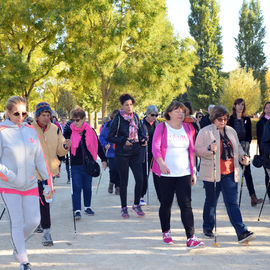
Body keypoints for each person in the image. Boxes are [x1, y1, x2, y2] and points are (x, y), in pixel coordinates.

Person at [0, 96, 50, 270]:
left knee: (34, 221)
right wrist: (10, 177)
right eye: (16, 113)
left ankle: (17, 243)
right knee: (16, 221)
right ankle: (23, 260)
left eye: (24, 113)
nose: (20, 117)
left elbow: (39, 158)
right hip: (9, 186)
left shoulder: (30, 131)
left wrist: (48, 181)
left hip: (30, 185)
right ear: (8, 112)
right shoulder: (1, 131)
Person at [195, 105, 255, 243]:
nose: (223, 121)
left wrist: (243, 157)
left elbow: (238, 148)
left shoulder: (231, 131)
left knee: (232, 203)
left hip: (230, 172)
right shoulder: (205, 132)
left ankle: (242, 232)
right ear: (213, 119)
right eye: (220, 119)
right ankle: (208, 227)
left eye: (225, 119)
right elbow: (197, 151)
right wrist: (209, 148)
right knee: (211, 202)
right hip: (213, 173)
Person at [152, 100, 204, 249]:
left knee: (186, 204)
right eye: (177, 111)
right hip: (165, 173)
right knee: (166, 203)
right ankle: (166, 232)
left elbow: (192, 150)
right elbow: (155, 148)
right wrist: (161, 164)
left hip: (184, 173)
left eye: (182, 111)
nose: (181, 113)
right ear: (169, 113)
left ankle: (191, 237)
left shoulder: (188, 128)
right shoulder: (161, 127)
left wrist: (193, 171)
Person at [33, 102, 71, 246]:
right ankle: (38, 223)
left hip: (48, 172)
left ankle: (46, 231)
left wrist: (65, 146)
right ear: (38, 115)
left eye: (48, 115)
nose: (46, 118)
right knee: (34, 201)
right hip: (32, 171)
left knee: (45, 202)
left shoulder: (55, 129)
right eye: (43, 115)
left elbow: (60, 150)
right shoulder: (30, 129)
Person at [108, 93, 147, 218]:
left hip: (135, 152)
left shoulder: (135, 117)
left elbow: (141, 132)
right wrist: (123, 140)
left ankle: (136, 204)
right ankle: (124, 207)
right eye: (126, 105)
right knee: (123, 182)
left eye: (131, 104)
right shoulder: (118, 119)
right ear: (122, 106)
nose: (129, 107)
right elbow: (110, 136)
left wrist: (142, 138)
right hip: (122, 154)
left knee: (140, 179)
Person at [64, 106, 107, 220]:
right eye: (73, 120)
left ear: (83, 119)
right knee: (76, 187)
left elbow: (97, 145)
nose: (75, 123)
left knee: (87, 187)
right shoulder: (68, 131)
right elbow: (63, 147)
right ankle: (77, 210)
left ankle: (87, 207)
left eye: (77, 120)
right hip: (74, 164)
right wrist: (66, 145)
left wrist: (103, 159)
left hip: (89, 164)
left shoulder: (90, 130)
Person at [228, 98, 262, 206]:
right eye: (238, 104)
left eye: (242, 104)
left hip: (245, 149)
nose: (240, 106)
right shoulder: (230, 119)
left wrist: (245, 147)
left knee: (248, 173)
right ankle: (232, 198)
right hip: (233, 149)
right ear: (234, 106)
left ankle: (253, 197)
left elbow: (249, 136)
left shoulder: (247, 119)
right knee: (234, 174)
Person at [140, 105, 161, 205]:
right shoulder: (141, 124)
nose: (154, 117)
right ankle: (141, 196)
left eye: (156, 115)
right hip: (144, 152)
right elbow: (136, 137)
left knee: (158, 175)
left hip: (156, 153)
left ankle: (160, 195)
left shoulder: (158, 124)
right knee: (144, 175)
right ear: (147, 114)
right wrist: (142, 139)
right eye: (152, 115)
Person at [99, 110, 120, 195]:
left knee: (120, 170)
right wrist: (105, 144)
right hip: (111, 153)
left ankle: (118, 187)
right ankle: (111, 182)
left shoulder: (123, 126)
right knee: (113, 170)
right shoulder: (107, 126)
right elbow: (101, 138)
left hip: (121, 152)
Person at [256, 101, 270, 201]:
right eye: (267, 108)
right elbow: (261, 140)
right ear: (264, 109)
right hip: (265, 152)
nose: (268, 110)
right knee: (268, 175)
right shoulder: (261, 122)